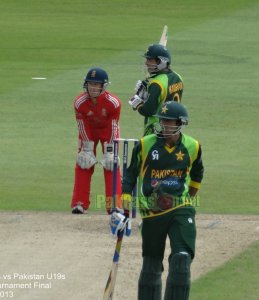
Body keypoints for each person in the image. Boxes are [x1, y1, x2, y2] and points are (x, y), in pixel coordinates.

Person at [110, 101, 204, 300]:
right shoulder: (145, 144)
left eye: (170, 122)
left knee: (181, 259)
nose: (165, 126)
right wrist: (124, 210)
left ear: (180, 123)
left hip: (181, 208)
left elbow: (197, 174)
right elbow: (129, 176)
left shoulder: (193, 146)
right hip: (152, 212)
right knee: (151, 264)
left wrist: (189, 200)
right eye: (163, 121)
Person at [71, 67, 122, 214]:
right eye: (90, 84)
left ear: (103, 86)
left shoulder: (114, 103)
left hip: (108, 131)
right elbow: (81, 124)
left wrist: (110, 150)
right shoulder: (79, 102)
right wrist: (86, 148)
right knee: (84, 162)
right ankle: (79, 203)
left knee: (111, 163)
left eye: (96, 84)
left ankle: (115, 205)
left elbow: (114, 125)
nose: (92, 88)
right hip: (88, 131)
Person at [129, 43, 184, 136]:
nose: (146, 63)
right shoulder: (178, 77)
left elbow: (148, 111)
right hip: (174, 128)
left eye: (150, 60)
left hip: (156, 129)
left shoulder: (156, 84)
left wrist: (137, 101)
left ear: (161, 61)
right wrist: (150, 92)